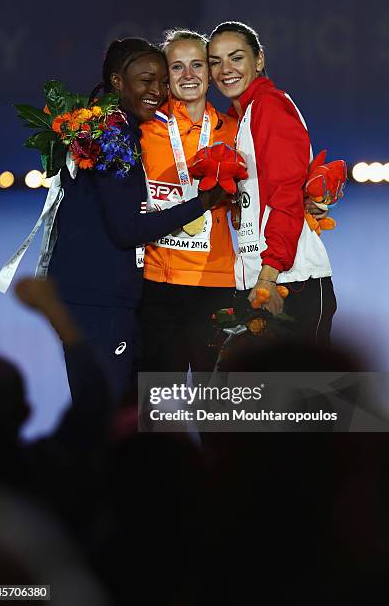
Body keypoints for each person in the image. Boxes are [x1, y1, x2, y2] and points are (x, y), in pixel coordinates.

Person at [45, 38, 227, 402]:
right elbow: (128, 230)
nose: (157, 91)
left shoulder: (97, 130)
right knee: (108, 415)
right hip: (100, 301)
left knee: (107, 410)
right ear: (117, 82)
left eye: (162, 81)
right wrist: (203, 202)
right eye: (146, 80)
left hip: (86, 295)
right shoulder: (115, 140)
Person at [208, 22, 337, 346]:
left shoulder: (269, 106)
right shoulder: (241, 118)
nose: (225, 70)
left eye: (236, 58)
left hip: (287, 282)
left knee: (299, 396)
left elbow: (286, 192)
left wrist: (269, 272)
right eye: (215, 61)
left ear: (259, 60)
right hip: (264, 279)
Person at [139, 29, 238, 379]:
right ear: (165, 78)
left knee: (218, 406)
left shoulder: (234, 130)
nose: (189, 75)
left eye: (197, 64)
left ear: (211, 73)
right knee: (158, 406)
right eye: (177, 67)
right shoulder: (143, 130)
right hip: (157, 284)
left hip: (216, 283)